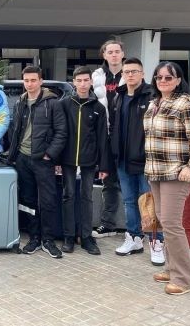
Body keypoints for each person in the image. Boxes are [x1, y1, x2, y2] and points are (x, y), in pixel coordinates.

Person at [144, 61, 190, 295]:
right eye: (159, 77)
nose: (163, 81)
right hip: (156, 171)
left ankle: (183, 279)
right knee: (164, 222)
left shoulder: (188, 103)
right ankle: (171, 269)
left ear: (179, 80)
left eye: (168, 77)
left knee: (172, 224)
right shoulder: (154, 104)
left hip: (177, 172)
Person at [7, 66, 67, 258]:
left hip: (43, 160)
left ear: (41, 81)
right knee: (28, 200)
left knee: (48, 200)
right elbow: (14, 129)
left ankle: (48, 240)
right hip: (23, 159)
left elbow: (61, 132)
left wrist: (50, 154)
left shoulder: (53, 103)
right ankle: (34, 238)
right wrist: (14, 154)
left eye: (33, 80)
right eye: (26, 81)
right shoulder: (20, 102)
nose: (30, 84)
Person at [110, 58, 165, 265]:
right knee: (129, 201)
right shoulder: (119, 96)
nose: (130, 75)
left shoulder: (152, 96)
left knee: (150, 202)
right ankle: (134, 238)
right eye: (127, 72)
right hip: (123, 161)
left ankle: (156, 242)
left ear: (142, 73)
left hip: (145, 161)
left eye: (134, 71)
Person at [60, 66, 110, 255]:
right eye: (79, 80)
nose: (82, 84)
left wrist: (103, 165)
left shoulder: (98, 108)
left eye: (86, 80)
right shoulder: (64, 104)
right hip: (67, 159)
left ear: (91, 82)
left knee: (87, 197)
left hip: (89, 159)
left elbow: (103, 137)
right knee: (68, 195)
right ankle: (69, 236)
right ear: (73, 82)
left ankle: (87, 237)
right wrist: (56, 160)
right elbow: (59, 132)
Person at [92, 40, 125, 238]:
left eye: (117, 51)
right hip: (105, 135)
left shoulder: (130, 74)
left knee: (132, 183)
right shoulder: (97, 76)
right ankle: (108, 224)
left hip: (126, 135)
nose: (114, 55)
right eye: (110, 52)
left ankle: (138, 227)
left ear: (122, 54)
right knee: (109, 182)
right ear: (104, 55)